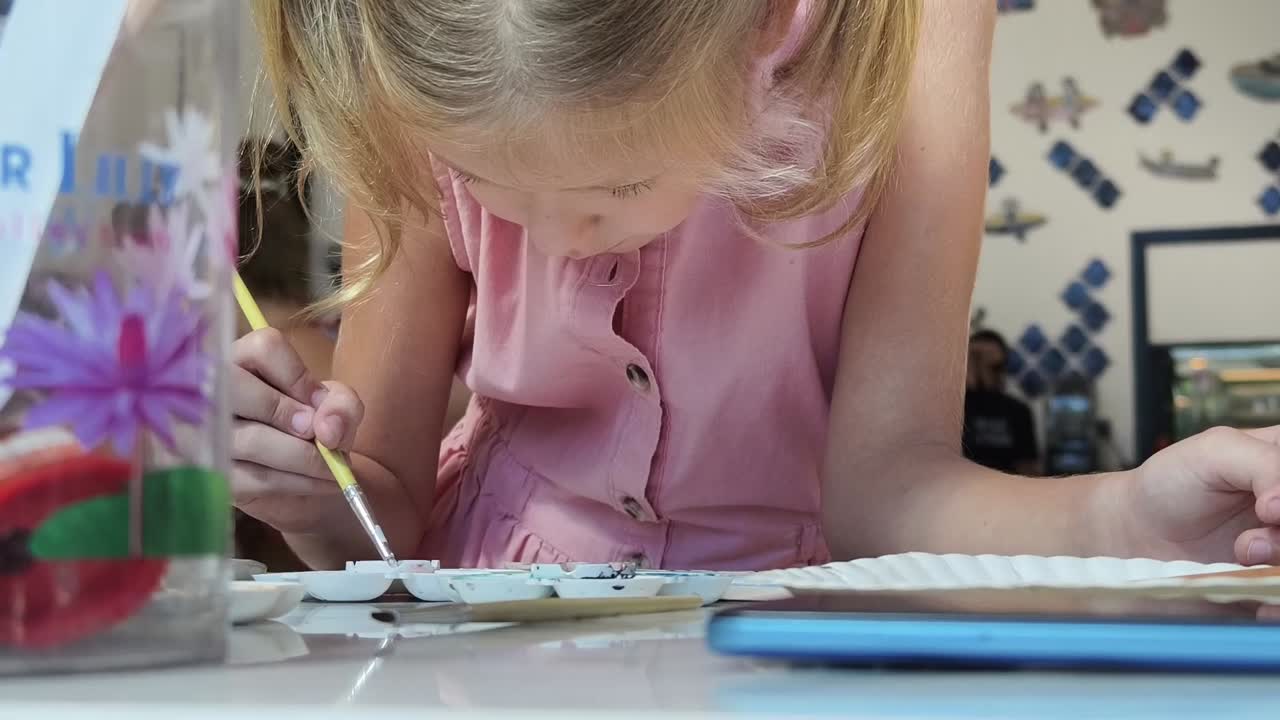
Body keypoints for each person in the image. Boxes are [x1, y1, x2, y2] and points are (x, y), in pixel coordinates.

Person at [234, 0, 1280, 572]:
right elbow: (386, 518)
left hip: (789, 632)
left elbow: (887, 497)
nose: (550, 240)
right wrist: (313, 494)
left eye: (616, 183)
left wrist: (1127, 524)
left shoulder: (910, 27)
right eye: (487, 187)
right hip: (479, 638)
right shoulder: (414, 54)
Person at [963, 330, 1040, 476]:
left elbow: (1029, 470)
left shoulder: (1018, 411)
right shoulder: (951, 411)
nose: (984, 371)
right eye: (976, 361)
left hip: (1007, 493)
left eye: (995, 367)